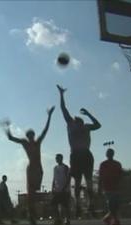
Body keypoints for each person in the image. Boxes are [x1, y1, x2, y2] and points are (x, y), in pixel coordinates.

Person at [4, 106, 55, 225]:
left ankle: (31, 214)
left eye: (32, 135)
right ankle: (31, 216)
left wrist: (49, 116)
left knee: (34, 193)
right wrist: (7, 127)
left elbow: (45, 130)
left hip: (38, 169)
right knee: (31, 193)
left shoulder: (37, 142)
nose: (32, 137)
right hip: (32, 168)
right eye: (30, 136)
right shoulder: (25, 143)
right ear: (28, 136)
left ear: (33, 135)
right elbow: (10, 138)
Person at [56, 84, 101, 218]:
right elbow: (63, 109)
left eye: (78, 121)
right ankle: (78, 207)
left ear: (80, 122)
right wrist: (61, 95)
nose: (76, 122)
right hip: (78, 155)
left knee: (86, 181)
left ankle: (89, 205)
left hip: (83, 154)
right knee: (79, 181)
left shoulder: (85, 126)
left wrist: (88, 114)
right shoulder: (73, 125)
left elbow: (98, 125)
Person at [99, 148, 123, 225]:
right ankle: (116, 221)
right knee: (111, 206)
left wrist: (121, 185)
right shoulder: (103, 164)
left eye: (110, 153)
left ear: (113, 154)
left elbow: (121, 176)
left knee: (116, 207)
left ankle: (107, 219)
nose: (109, 154)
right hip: (107, 188)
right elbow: (101, 177)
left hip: (116, 188)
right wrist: (100, 188)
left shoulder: (117, 164)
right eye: (108, 153)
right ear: (107, 154)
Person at [51, 154, 71, 225]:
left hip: (64, 191)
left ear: (61, 158)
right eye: (56, 158)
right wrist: (52, 187)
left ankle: (67, 219)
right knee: (53, 204)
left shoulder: (66, 167)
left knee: (65, 206)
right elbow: (54, 178)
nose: (56, 159)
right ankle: (57, 219)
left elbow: (68, 178)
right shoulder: (55, 168)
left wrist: (65, 188)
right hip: (57, 190)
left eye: (58, 158)